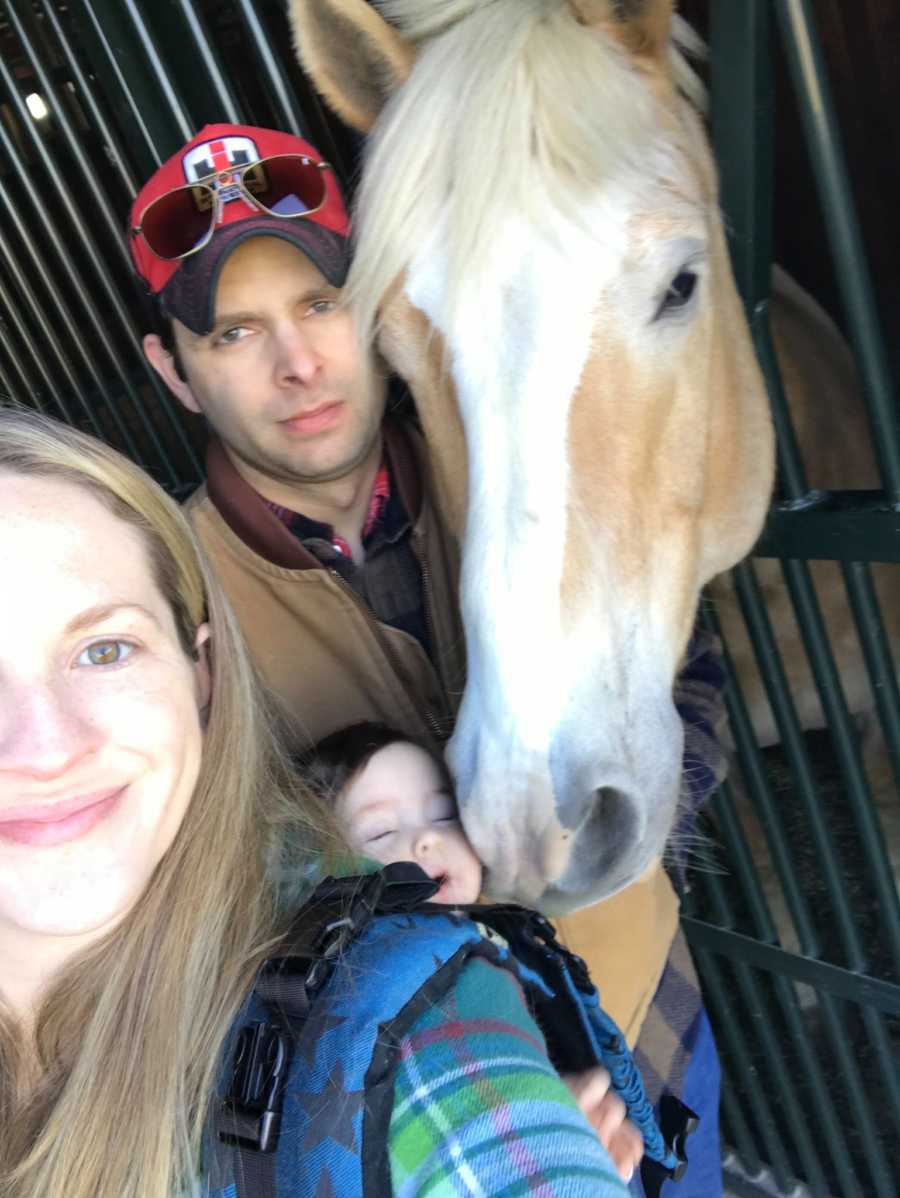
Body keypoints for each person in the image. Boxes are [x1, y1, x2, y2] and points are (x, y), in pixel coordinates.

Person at [133, 124, 726, 1195]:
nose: (299, 363)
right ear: (173, 372)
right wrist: (491, 1084)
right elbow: (209, 930)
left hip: (653, 1012)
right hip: (424, 1123)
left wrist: (624, 851)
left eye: (324, 303)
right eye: (234, 333)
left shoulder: (527, 457)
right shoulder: (170, 616)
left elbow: (686, 668)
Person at [0, 407, 630, 1198]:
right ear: (173, 372)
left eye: (105, 650)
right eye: (236, 331)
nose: (44, 747)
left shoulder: (400, 1014)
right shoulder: (224, 548)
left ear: (201, 675)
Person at [306, 720, 646, 1185]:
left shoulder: (494, 931)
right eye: (381, 833)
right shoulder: (379, 974)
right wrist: (539, 1126)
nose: (428, 839)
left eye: (445, 814)